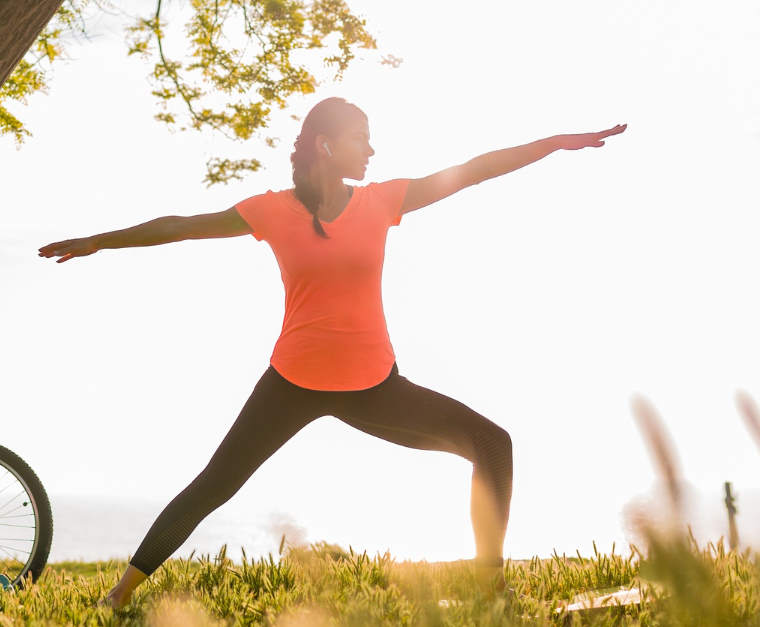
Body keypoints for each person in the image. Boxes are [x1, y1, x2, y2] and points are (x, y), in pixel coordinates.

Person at [38, 97, 626, 609]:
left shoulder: (383, 201)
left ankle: (492, 589)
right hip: (291, 382)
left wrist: (553, 143)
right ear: (325, 144)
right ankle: (119, 594)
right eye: (360, 138)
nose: (371, 149)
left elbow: (472, 171)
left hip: (373, 386)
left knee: (493, 444)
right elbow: (182, 226)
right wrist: (100, 241)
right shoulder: (271, 211)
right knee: (215, 484)